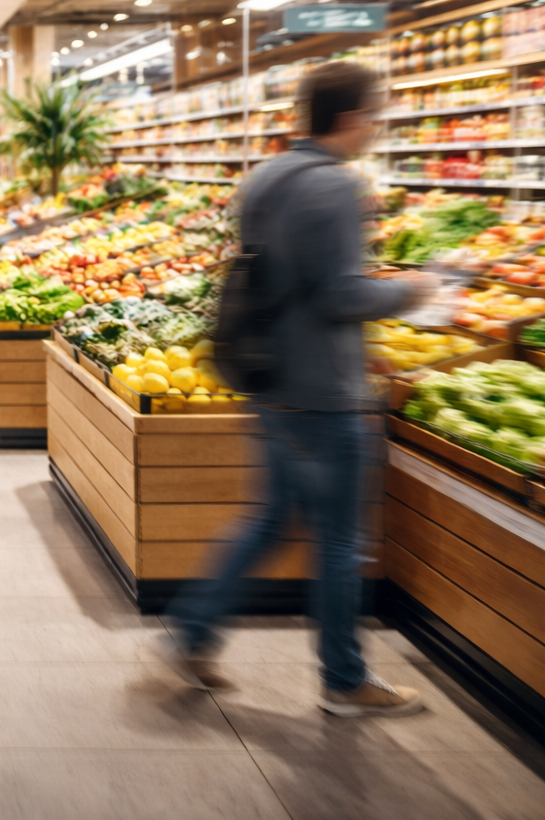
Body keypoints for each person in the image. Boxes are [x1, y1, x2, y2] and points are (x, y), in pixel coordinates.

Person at [163, 61, 437, 717]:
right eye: (375, 114)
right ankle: (344, 681)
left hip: (269, 379)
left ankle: (193, 632)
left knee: (267, 521)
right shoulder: (335, 187)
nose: (378, 126)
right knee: (340, 545)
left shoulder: (266, 177)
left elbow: (280, 282)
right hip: (325, 397)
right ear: (350, 118)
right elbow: (340, 292)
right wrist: (411, 290)